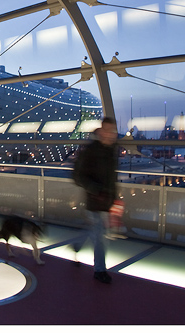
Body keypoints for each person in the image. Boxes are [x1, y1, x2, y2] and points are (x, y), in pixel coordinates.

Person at [71, 116, 118, 284]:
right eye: (108, 131)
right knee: (100, 236)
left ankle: (77, 245)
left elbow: (111, 178)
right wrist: (95, 190)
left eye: (113, 131)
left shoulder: (111, 150)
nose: (110, 135)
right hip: (94, 201)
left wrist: (113, 197)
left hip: (105, 201)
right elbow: (77, 175)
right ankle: (99, 270)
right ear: (101, 131)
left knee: (95, 231)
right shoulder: (92, 151)